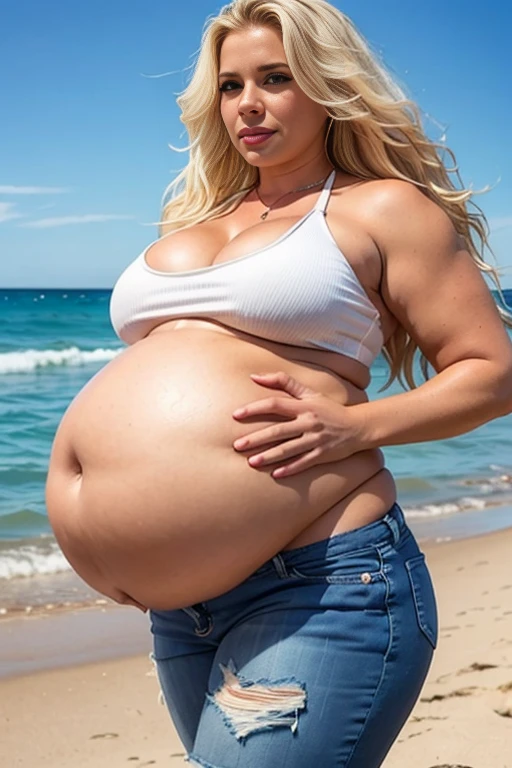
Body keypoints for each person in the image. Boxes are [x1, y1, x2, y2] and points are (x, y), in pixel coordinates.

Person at [45, 0, 512, 765]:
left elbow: (492, 373)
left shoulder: (382, 208)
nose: (247, 104)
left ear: (328, 87)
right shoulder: (193, 217)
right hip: (183, 609)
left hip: (321, 584)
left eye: (275, 78)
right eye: (230, 86)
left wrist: (357, 427)